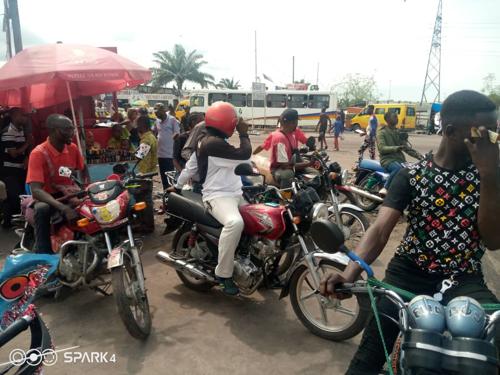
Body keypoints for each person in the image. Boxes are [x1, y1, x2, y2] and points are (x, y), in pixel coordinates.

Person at [320, 90, 500, 375]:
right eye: (486, 132)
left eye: (496, 132)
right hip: (408, 274)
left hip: (464, 278)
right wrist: (349, 273)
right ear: (452, 132)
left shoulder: (489, 176)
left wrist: (490, 176)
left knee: (489, 348)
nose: (494, 140)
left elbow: (493, 240)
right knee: (367, 358)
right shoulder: (411, 175)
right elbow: (380, 231)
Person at [174, 101, 252, 295]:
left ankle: (248, 260)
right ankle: (223, 274)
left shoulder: (208, 140)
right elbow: (244, 155)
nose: (235, 126)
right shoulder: (213, 143)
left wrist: (176, 185)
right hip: (218, 196)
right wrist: (244, 133)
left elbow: (191, 165)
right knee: (234, 223)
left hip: (235, 193)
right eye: (234, 123)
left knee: (262, 219)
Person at [26, 114, 85, 253]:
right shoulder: (38, 153)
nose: (71, 133)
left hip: (69, 193)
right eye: (67, 129)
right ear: (53, 131)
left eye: (72, 129)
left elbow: (79, 169)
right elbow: (36, 190)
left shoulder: (73, 148)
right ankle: (43, 253)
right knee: (42, 209)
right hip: (47, 196)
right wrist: (63, 207)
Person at [260, 109, 312, 188]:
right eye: (296, 121)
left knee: (315, 172)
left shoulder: (293, 133)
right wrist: (308, 164)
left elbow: (305, 142)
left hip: (291, 164)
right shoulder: (280, 138)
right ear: (291, 123)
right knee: (288, 174)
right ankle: (285, 197)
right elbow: (285, 166)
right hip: (278, 169)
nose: (296, 124)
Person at [377, 111, 423, 195]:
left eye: (397, 117)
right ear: (387, 119)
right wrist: (397, 148)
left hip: (399, 160)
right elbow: (382, 148)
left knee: (412, 171)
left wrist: (420, 157)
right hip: (387, 160)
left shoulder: (398, 132)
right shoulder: (382, 132)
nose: (397, 118)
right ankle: (385, 188)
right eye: (394, 117)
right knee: (399, 169)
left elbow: (406, 149)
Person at [0, 108, 30, 228]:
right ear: (14, 116)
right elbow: (14, 153)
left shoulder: (20, 130)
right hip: (9, 170)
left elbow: (22, 151)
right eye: (22, 115)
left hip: (19, 168)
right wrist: (28, 142)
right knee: (13, 195)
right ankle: (9, 222)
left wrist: (26, 156)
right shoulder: (8, 132)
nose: (25, 118)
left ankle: (13, 221)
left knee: (20, 195)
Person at [133, 115, 158, 233]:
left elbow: (139, 155)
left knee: (144, 201)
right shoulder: (151, 136)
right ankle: (146, 224)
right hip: (148, 172)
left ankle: (146, 226)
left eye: (138, 124)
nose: (136, 127)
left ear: (142, 125)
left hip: (143, 174)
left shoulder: (146, 139)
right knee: (146, 200)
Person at [155, 103, 180, 190]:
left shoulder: (172, 120)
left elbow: (177, 132)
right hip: (160, 154)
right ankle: (165, 194)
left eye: (158, 112)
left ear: (163, 110)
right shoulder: (157, 121)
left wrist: (174, 136)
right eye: (155, 113)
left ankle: (172, 197)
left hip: (169, 154)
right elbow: (157, 132)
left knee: (170, 178)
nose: (156, 115)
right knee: (163, 178)